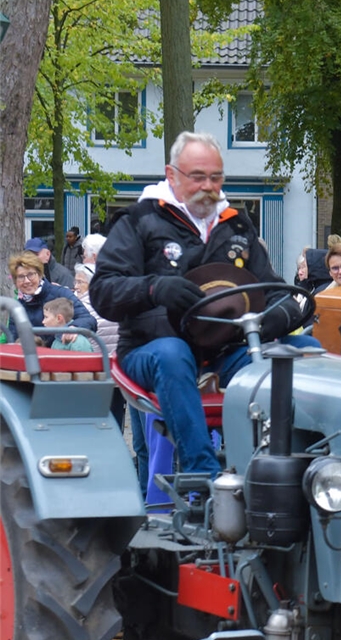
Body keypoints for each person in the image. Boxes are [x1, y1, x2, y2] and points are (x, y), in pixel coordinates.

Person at [90, 131, 315, 481]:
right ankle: (205, 481)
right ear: (172, 175)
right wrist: (154, 288)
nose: (208, 187)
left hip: (226, 352)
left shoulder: (236, 225)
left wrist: (278, 315)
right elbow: (103, 291)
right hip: (150, 350)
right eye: (197, 176)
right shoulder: (138, 221)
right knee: (173, 353)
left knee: (306, 349)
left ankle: (309, 472)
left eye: (216, 177)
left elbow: (270, 289)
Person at [6, 251, 95, 342]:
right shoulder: (18, 306)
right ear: (15, 281)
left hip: (59, 350)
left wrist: (74, 328)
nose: (26, 281)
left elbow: (88, 320)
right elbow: (12, 339)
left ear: (40, 275)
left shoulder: (61, 294)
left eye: (31, 275)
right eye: (21, 277)